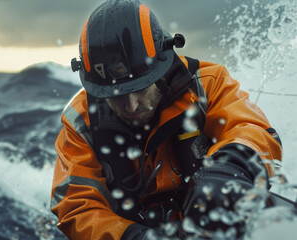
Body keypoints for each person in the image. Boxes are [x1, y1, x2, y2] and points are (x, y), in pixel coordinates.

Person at [50, 0, 282, 239]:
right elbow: (75, 206)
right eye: (116, 96)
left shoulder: (209, 84)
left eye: (140, 89)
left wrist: (230, 168)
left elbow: (254, 130)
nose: (131, 106)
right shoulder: (79, 122)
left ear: (162, 70)